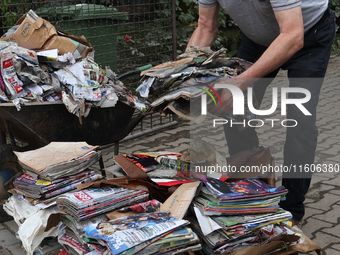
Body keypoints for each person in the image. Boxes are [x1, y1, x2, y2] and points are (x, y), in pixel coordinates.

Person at [187, 0, 335, 226]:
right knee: (236, 111)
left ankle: (291, 210)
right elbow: (206, 25)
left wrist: (239, 82)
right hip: (258, 41)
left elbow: (292, 35)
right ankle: (253, 195)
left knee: (300, 121)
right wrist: (182, 78)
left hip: (308, 34)